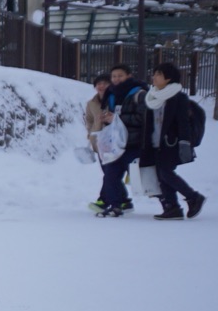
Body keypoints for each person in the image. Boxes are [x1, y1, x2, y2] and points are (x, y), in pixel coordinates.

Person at [140, 61, 204, 220]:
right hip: (155, 143)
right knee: (160, 174)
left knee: (165, 172)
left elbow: (183, 122)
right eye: (154, 74)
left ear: (168, 78)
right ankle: (171, 207)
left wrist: (184, 143)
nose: (154, 77)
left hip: (172, 143)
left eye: (158, 74)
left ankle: (193, 197)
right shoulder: (152, 96)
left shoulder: (178, 98)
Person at [100, 64, 145, 214]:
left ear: (129, 76)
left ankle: (168, 203)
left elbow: (142, 118)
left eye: (120, 76)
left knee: (140, 179)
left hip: (133, 143)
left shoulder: (139, 93)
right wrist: (106, 118)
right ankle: (115, 206)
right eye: (114, 76)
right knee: (110, 175)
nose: (116, 79)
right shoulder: (111, 94)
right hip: (116, 143)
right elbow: (112, 116)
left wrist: (117, 118)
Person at [84, 74, 129, 217]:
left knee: (110, 174)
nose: (101, 86)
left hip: (114, 142)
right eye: (98, 84)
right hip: (99, 142)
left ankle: (105, 200)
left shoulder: (115, 99)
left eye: (104, 83)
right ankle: (124, 200)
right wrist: (91, 133)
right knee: (109, 174)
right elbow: (89, 120)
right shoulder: (91, 103)